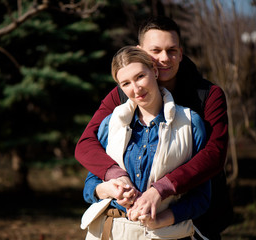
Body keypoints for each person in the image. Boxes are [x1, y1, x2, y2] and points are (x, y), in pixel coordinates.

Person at [75, 16, 233, 239]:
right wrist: (114, 177)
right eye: (155, 50)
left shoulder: (206, 96)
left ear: (181, 50)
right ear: (140, 51)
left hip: (194, 220)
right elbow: (86, 144)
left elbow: (214, 154)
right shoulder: (122, 96)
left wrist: (162, 188)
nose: (164, 59)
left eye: (172, 50)